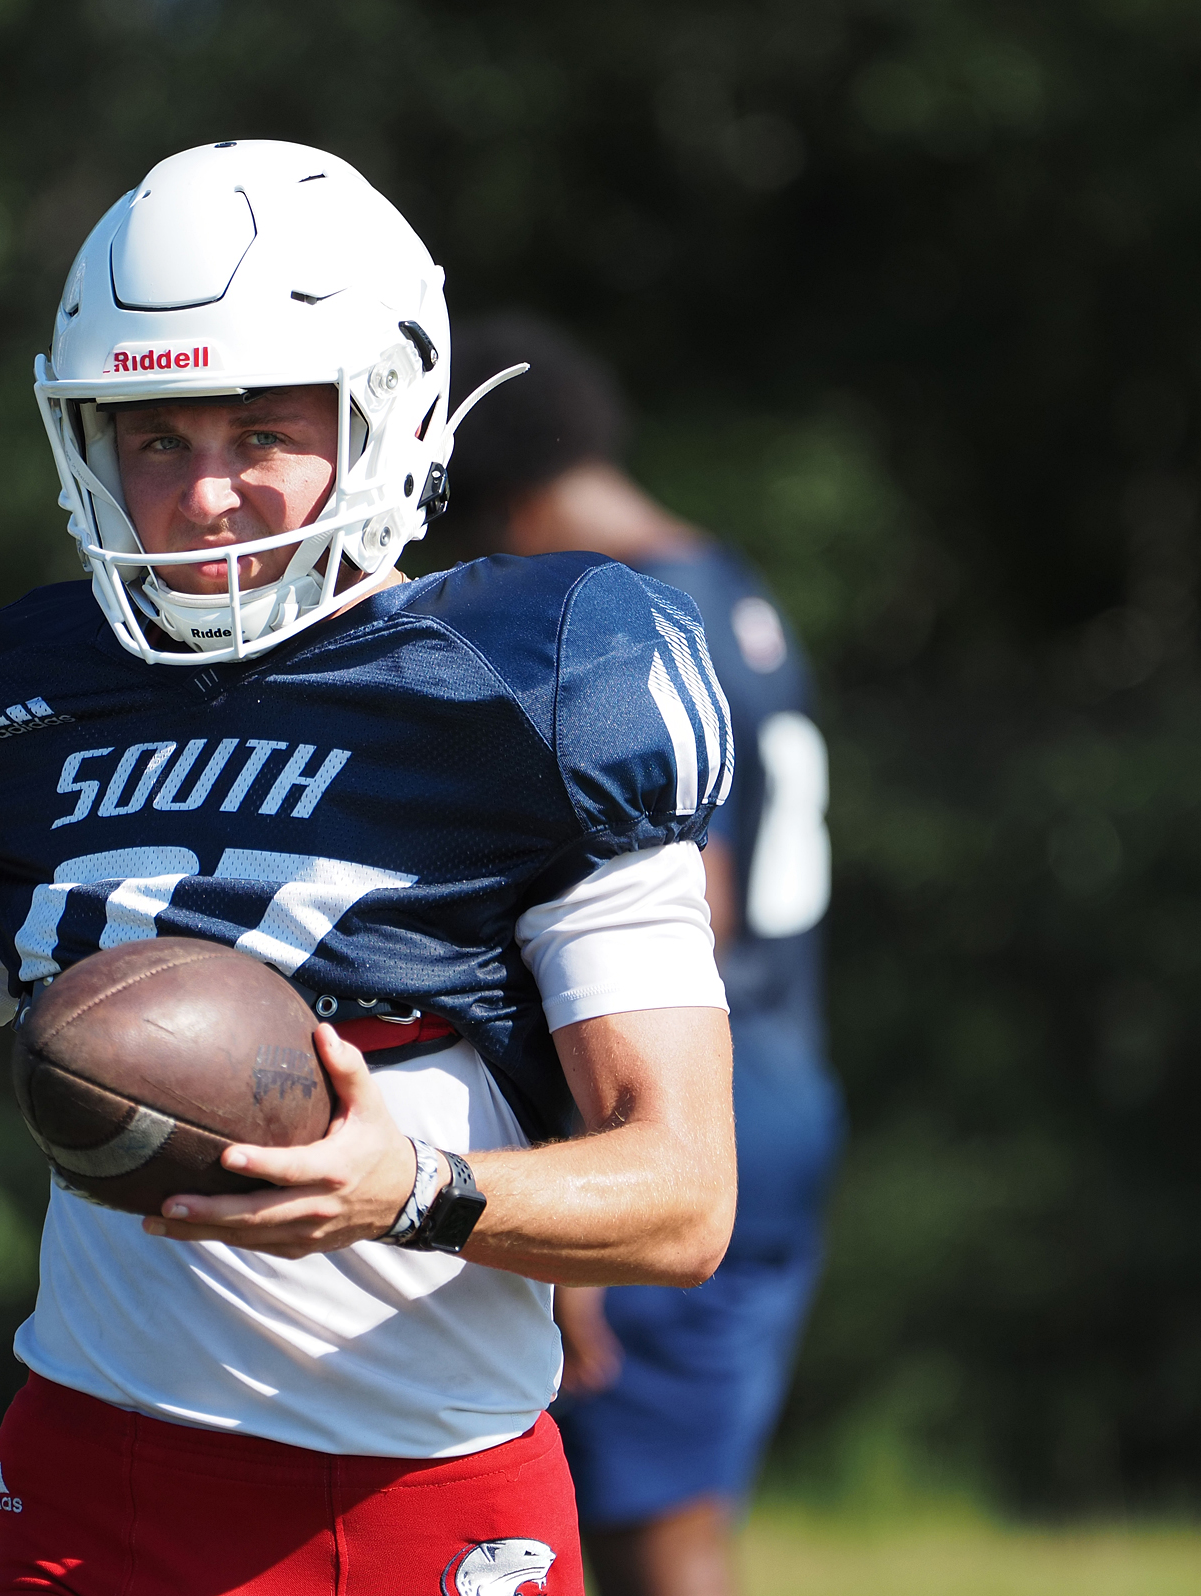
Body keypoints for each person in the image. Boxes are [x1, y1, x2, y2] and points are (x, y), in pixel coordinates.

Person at [0, 143, 740, 1596]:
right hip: (86, 1482)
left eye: (259, 431)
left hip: (418, 1503)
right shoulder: (40, 706)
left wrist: (410, 1187)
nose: (206, 496)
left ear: (388, 417)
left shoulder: (534, 686)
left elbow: (684, 1199)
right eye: (156, 439)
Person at [442, 314, 846, 1596]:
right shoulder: (727, 578)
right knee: (665, 1518)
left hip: (686, 1109)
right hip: (785, 1087)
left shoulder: (626, 619)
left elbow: (691, 910)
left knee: (648, 1542)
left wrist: (583, 1192)